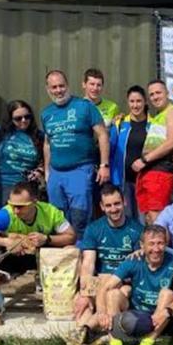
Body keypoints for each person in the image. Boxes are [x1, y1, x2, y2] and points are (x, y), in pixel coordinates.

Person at [95, 225, 173, 345]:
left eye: (160, 243)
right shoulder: (134, 260)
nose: (156, 249)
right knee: (112, 293)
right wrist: (101, 312)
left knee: (167, 293)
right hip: (136, 315)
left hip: (161, 319)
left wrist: (166, 312)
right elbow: (104, 287)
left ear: (165, 244)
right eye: (151, 244)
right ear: (142, 246)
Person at [0, 180, 76, 312]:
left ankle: (61, 294)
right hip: (14, 255)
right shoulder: (5, 214)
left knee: (71, 250)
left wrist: (47, 239)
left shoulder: (51, 212)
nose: (15, 210)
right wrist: (6, 241)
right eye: (12, 205)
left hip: (44, 256)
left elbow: (71, 236)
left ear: (34, 202)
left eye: (21, 206)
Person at [41, 69, 111, 237]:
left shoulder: (85, 106)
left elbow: (102, 134)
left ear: (68, 86)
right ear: (48, 89)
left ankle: (81, 253)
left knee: (80, 217)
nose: (58, 90)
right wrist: (47, 172)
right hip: (56, 173)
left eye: (61, 86)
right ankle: (63, 257)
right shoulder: (46, 113)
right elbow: (47, 143)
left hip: (80, 170)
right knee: (57, 218)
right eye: (54, 87)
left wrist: (104, 165)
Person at [73, 183, 144, 341]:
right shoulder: (94, 228)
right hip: (99, 282)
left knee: (112, 285)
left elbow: (136, 268)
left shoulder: (137, 230)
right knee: (81, 302)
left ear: (124, 202)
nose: (114, 209)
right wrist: (85, 293)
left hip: (124, 283)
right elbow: (88, 264)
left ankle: (91, 326)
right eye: (109, 205)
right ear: (102, 206)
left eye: (117, 203)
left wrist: (114, 279)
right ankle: (83, 334)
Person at [133, 80, 173, 224]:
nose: (155, 97)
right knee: (149, 217)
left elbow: (171, 143)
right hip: (149, 172)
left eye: (158, 93)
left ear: (167, 93)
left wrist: (144, 160)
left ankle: (160, 246)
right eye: (151, 94)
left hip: (161, 171)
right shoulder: (157, 115)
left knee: (158, 217)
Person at [0, 99, 44, 212]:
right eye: (18, 118)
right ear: (10, 119)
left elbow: (48, 159)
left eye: (27, 117)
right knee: (1, 225)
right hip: (3, 187)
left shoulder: (38, 136)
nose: (23, 120)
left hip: (27, 189)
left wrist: (40, 171)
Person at [109, 85, 148, 222]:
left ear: (145, 102)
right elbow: (110, 150)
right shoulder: (120, 124)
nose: (135, 105)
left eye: (139, 101)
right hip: (122, 181)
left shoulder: (153, 125)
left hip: (144, 182)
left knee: (143, 220)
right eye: (132, 101)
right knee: (126, 218)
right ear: (127, 102)